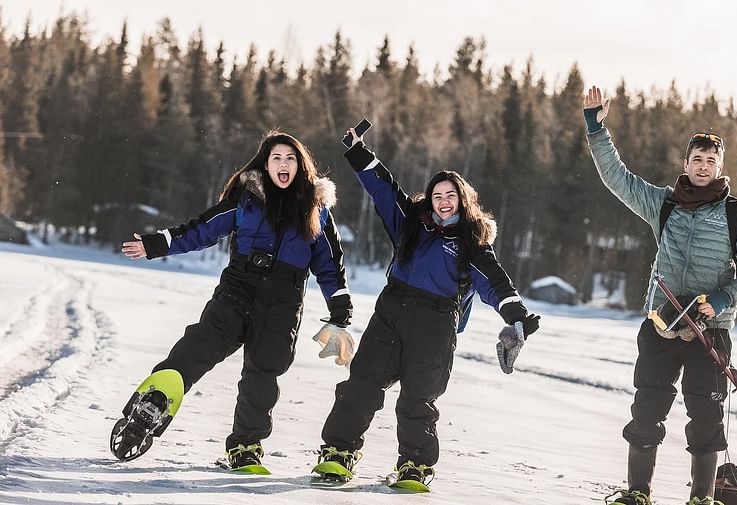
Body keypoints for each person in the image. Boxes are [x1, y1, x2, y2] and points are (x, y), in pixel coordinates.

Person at [312, 125, 540, 488]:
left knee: (418, 399)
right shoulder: (411, 224)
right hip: (391, 314)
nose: (443, 200)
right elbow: (383, 190)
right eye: (437, 195)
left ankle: (415, 464)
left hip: (434, 327)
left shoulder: (471, 244)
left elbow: (495, 282)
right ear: (429, 199)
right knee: (362, 385)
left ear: (463, 200)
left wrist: (517, 317)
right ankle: (339, 452)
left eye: (451, 195)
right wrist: (358, 151)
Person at [113, 131, 354, 469]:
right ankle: (155, 400)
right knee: (204, 341)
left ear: (301, 166)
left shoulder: (317, 211)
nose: (283, 164)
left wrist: (339, 307)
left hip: (283, 301)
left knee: (264, 371)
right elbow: (202, 229)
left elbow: (330, 265)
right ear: (266, 165)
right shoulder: (247, 199)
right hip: (240, 287)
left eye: (290, 159)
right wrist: (157, 244)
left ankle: (245, 446)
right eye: (276, 158)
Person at [582, 86, 737, 505]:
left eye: (711, 161)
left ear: (721, 166)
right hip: (662, 325)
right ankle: (637, 493)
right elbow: (618, 178)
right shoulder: (664, 204)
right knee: (647, 409)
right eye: (696, 159)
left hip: (710, 331)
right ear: (685, 163)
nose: (703, 167)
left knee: (705, 417)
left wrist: (723, 300)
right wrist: (596, 128)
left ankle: (701, 498)